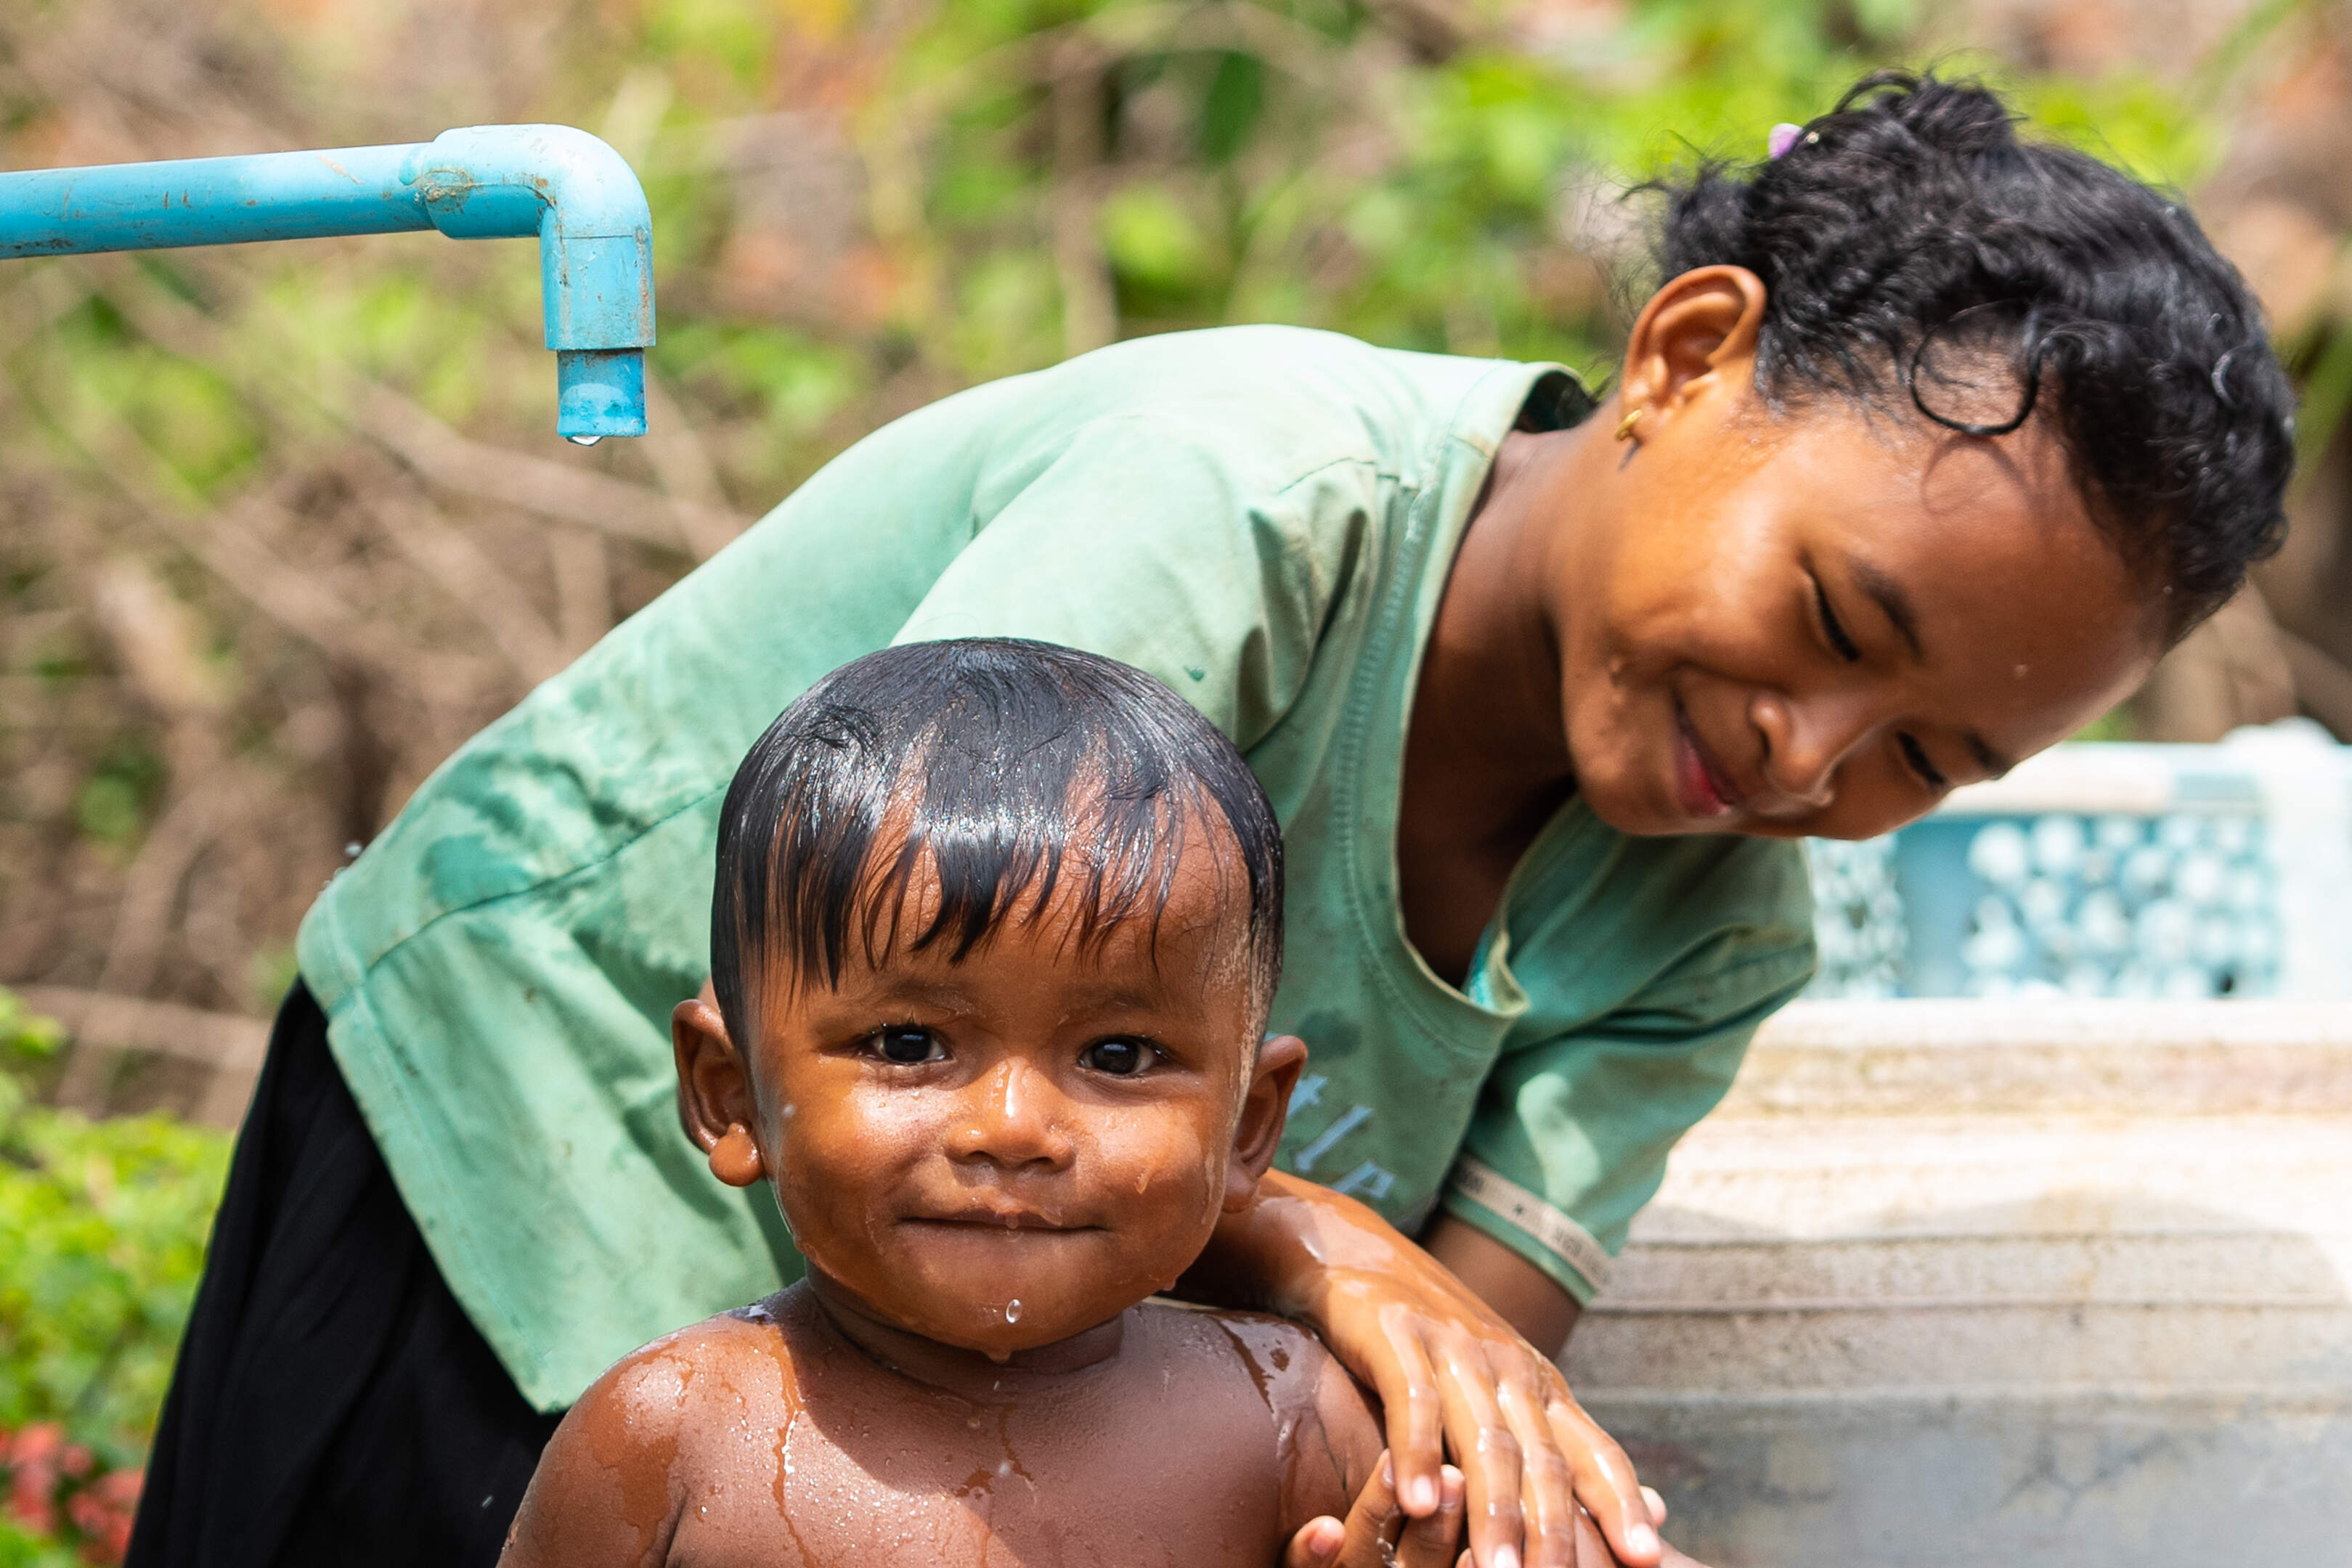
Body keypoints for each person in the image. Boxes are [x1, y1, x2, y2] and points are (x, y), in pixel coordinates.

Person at [130, 70, 2295, 1568]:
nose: (1817, 757)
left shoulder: (1709, 938)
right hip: (518, 1143)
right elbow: (946, 945)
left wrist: (1427, 1489)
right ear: (1691, 351)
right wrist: (1335, 1242)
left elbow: (1431, 1370)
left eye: (1927, 760)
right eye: (1832, 616)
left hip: (926, 1358)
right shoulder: (1255, 504)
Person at [500, 637, 1450, 1567]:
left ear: (1249, 1126)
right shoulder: (668, 1440)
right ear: (731, 1094)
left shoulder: (1294, 1429)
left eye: (1118, 1055)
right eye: (908, 1044)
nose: (1013, 1130)